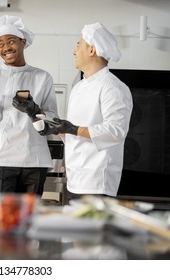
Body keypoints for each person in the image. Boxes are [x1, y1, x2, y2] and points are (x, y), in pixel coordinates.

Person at [43, 22, 133, 198]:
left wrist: (73, 129)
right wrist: (58, 129)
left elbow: (116, 131)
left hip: (98, 181)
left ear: (91, 50)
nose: (74, 52)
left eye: (78, 45)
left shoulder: (113, 87)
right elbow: (75, 136)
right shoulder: (78, 87)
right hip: (75, 179)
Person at [0, 15, 59, 196]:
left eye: (11, 41)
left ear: (23, 42)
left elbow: (53, 120)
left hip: (33, 159)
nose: (6, 48)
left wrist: (34, 110)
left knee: (27, 219)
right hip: (0, 158)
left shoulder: (42, 77)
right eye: (0, 44)